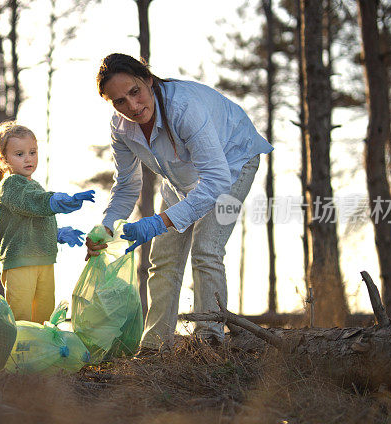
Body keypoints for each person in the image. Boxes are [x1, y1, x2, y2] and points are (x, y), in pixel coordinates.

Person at [86, 53, 273, 353]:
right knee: (163, 259)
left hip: (232, 163)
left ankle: (209, 340)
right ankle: (154, 346)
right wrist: (106, 227)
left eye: (134, 92)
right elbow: (126, 185)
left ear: (147, 79)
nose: (132, 106)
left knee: (206, 249)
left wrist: (161, 221)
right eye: (119, 101)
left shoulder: (184, 108)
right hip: (180, 177)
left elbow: (215, 180)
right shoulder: (121, 128)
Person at [0, 121, 95, 323]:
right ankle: (18, 353)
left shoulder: (35, 185)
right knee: (21, 317)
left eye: (32, 152)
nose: (28, 159)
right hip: (21, 261)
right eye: (19, 154)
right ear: (4, 159)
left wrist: (57, 233)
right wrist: (55, 200)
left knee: (44, 316)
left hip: (44, 259)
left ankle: (41, 351)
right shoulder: (11, 184)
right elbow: (31, 202)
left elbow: (35, 217)